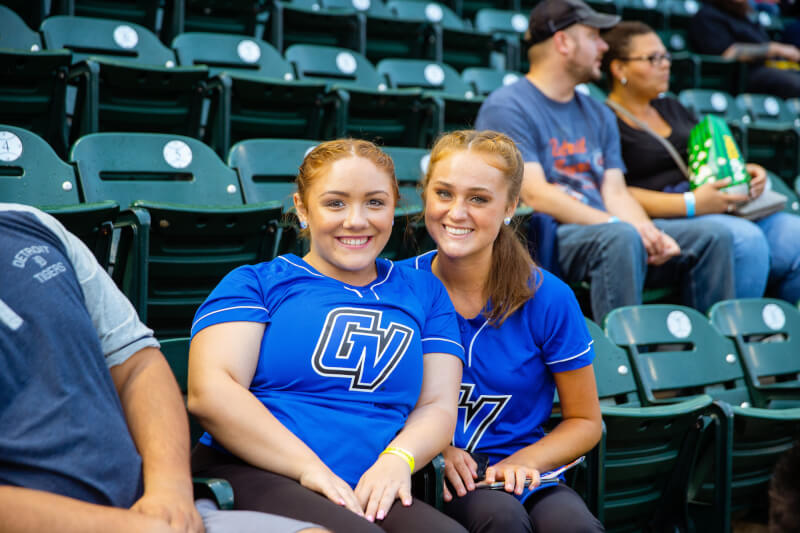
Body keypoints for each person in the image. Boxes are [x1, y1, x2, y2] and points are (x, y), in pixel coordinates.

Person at [187, 139, 468, 533]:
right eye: (335, 203)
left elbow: (438, 405)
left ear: (395, 207)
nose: (356, 221)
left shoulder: (425, 291)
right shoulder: (257, 283)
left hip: (369, 477)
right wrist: (308, 468)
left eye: (375, 202)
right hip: (255, 469)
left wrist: (397, 460)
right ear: (302, 208)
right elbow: (211, 393)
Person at [0, 203, 326, 533]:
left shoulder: (33, 224)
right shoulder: (257, 283)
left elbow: (138, 365)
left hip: (157, 509)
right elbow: (211, 394)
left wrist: (170, 490)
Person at [474, 0, 737, 321]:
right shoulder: (508, 106)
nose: (603, 46)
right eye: (594, 36)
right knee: (621, 238)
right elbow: (535, 194)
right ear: (563, 42)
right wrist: (622, 226)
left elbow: (615, 192)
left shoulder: (597, 111)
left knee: (714, 236)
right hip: (550, 235)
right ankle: (627, 358)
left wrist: (646, 230)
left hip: (607, 227)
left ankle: (706, 355)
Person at [401, 130, 604, 533]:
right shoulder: (397, 288)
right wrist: (439, 447)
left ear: (511, 205)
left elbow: (585, 420)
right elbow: (365, 402)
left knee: (574, 528)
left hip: (522, 469)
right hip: (430, 472)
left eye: (478, 198)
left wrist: (526, 461)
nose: (457, 212)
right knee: (501, 520)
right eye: (444, 193)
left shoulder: (548, 296)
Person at [603, 21, 800, 303]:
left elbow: (712, 155)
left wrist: (747, 173)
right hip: (669, 216)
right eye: (653, 58)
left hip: (722, 207)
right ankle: (737, 338)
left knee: (796, 235)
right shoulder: (606, 119)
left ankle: (777, 331)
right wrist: (693, 202)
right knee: (746, 241)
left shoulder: (672, 106)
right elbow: (615, 192)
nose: (665, 65)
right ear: (619, 68)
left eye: (666, 56)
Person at [688, 0, 800, 98]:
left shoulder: (744, 16)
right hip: (740, 75)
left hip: (769, 69)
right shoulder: (707, 15)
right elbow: (728, 53)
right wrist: (774, 49)